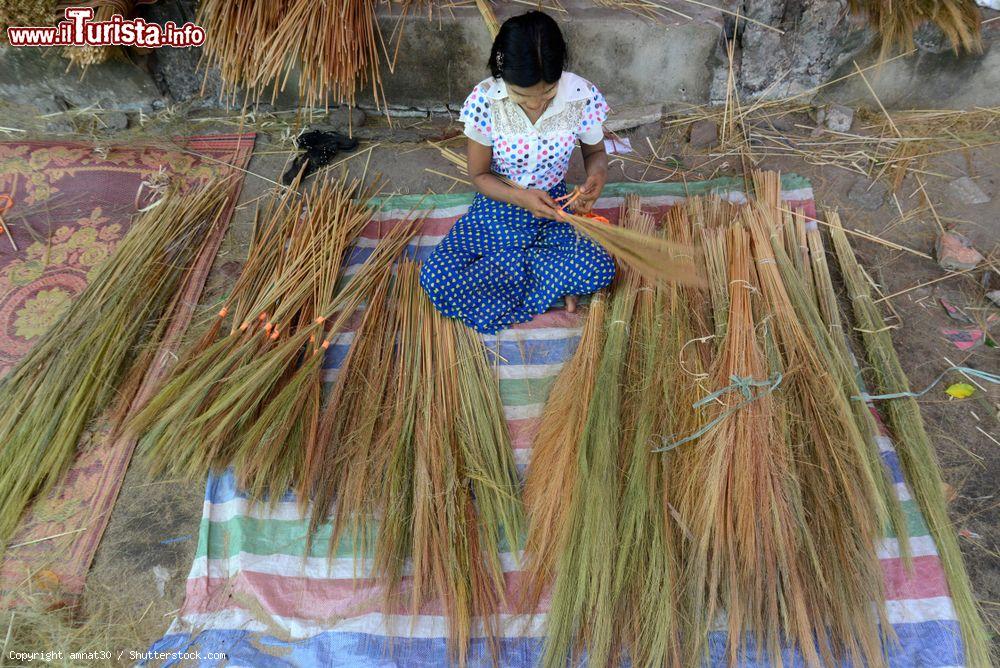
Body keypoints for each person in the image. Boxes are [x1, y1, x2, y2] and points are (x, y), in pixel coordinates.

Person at [420, 10, 614, 334]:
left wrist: (597, 178)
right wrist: (521, 198)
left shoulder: (581, 96)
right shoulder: (485, 101)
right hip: (499, 203)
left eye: (548, 94)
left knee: (600, 268)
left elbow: (595, 153)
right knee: (437, 277)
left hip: (555, 206)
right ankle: (546, 281)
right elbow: (480, 176)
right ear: (502, 72)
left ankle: (507, 281)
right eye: (522, 96)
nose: (537, 105)